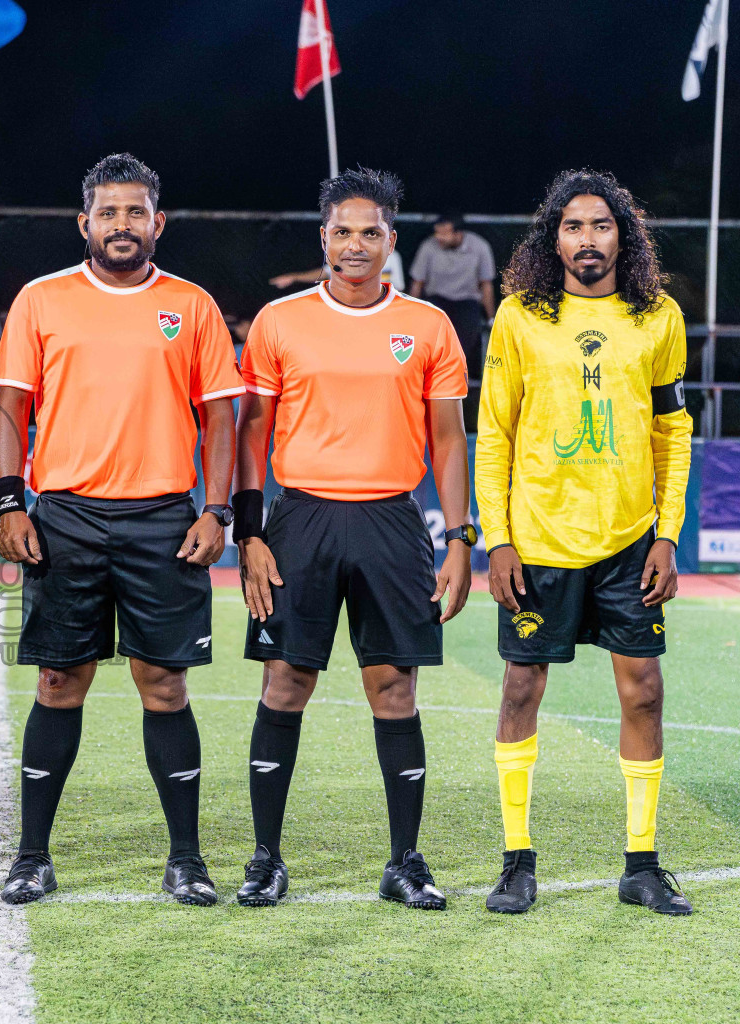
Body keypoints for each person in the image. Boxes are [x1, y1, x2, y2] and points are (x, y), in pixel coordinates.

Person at [0, 153, 243, 907]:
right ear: (85, 223)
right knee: (57, 681)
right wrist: (11, 502)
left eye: (136, 212)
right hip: (65, 515)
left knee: (163, 685)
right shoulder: (40, 301)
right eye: (109, 212)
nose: (123, 225)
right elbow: (11, 408)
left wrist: (218, 508)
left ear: (157, 222)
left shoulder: (191, 305)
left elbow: (220, 416)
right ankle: (33, 857)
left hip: (163, 519)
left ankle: (186, 859)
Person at [233, 168, 473, 910]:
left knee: (394, 688)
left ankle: (404, 861)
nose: (357, 244)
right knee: (285, 682)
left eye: (372, 232)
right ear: (324, 239)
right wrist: (249, 532)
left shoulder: (429, 326)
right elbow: (251, 432)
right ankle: (266, 860)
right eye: (343, 231)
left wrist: (461, 539)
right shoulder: (279, 321)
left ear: (392, 241)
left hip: (393, 521)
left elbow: (448, 439)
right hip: (298, 519)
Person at [475, 170, 693, 916]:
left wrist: (668, 535)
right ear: (553, 238)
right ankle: (516, 861)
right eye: (573, 226)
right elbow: (494, 433)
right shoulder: (520, 316)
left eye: (602, 225)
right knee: (519, 689)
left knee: (645, 692)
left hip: (631, 541)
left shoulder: (657, 315)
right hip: (538, 539)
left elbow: (673, 430)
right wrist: (497, 541)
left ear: (622, 236)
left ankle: (641, 862)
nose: (588, 239)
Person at [410, 212, 497, 384]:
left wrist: (491, 318)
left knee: (466, 336)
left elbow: (486, 285)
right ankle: (429, 379)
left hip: (467, 301)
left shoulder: (480, 247)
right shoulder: (428, 247)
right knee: (429, 340)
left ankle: (456, 379)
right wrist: (410, 315)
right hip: (436, 300)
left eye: (444, 233)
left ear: (458, 233)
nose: (438, 237)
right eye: (437, 232)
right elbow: (417, 283)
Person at [268, 248, 406, 292]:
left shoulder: (392, 256)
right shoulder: (350, 256)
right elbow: (326, 272)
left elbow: (398, 289)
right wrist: (294, 277)